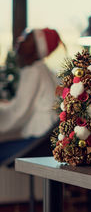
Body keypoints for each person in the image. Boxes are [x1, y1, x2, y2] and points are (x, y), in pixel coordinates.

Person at [0, 28, 63, 162]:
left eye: (26, 38)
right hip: (46, 139)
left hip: (38, 141)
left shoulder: (33, 72)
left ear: (36, 48)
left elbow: (18, 113)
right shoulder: (42, 70)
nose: (20, 39)